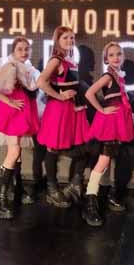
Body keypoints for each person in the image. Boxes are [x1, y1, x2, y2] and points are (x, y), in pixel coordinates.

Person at [0, 37, 40, 219]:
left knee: (17, 151)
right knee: (14, 152)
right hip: (11, 113)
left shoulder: (25, 67)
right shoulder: (10, 66)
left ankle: (17, 189)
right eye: (20, 49)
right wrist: (8, 101)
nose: (24, 52)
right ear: (13, 51)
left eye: (26, 49)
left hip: (22, 111)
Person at [83, 42, 134, 226]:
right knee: (104, 161)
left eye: (118, 54)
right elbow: (89, 93)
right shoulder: (108, 76)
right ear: (106, 59)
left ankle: (102, 195)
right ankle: (90, 202)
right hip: (110, 124)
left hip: (118, 123)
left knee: (108, 160)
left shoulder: (118, 76)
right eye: (111, 55)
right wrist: (102, 110)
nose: (116, 57)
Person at [36, 26, 89, 207]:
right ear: (57, 40)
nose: (69, 41)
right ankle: (52, 190)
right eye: (65, 37)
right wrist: (59, 96)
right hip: (59, 111)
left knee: (83, 147)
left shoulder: (70, 60)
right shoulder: (56, 60)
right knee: (53, 148)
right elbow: (41, 82)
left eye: (72, 38)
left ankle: (75, 184)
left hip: (74, 109)